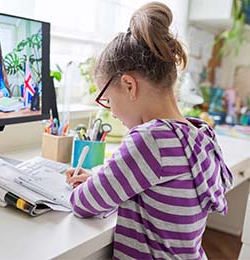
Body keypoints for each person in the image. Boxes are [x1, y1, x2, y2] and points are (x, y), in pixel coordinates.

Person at [66, 2, 233, 260]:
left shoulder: (151, 141)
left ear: (129, 85)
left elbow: (84, 203)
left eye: (108, 100)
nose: (112, 113)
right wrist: (100, 179)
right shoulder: (199, 135)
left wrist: (90, 187)